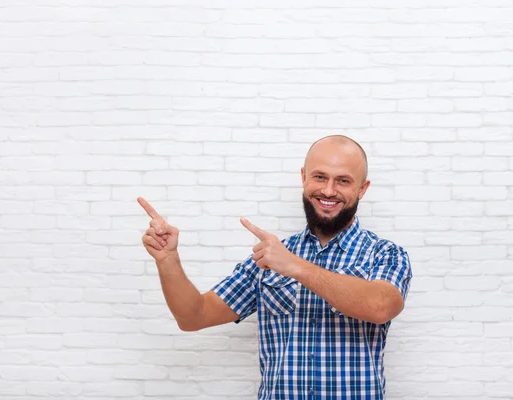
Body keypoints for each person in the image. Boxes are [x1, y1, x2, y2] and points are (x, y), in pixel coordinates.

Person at [138, 135, 412, 400]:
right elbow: (193, 316)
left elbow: (381, 306)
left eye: (343, 181)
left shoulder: (385, 254)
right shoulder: (269, 257)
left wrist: (294, 266)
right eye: (319, 177)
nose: (328, 191)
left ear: (362, 189)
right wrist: (168, 260)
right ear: (303, 177)